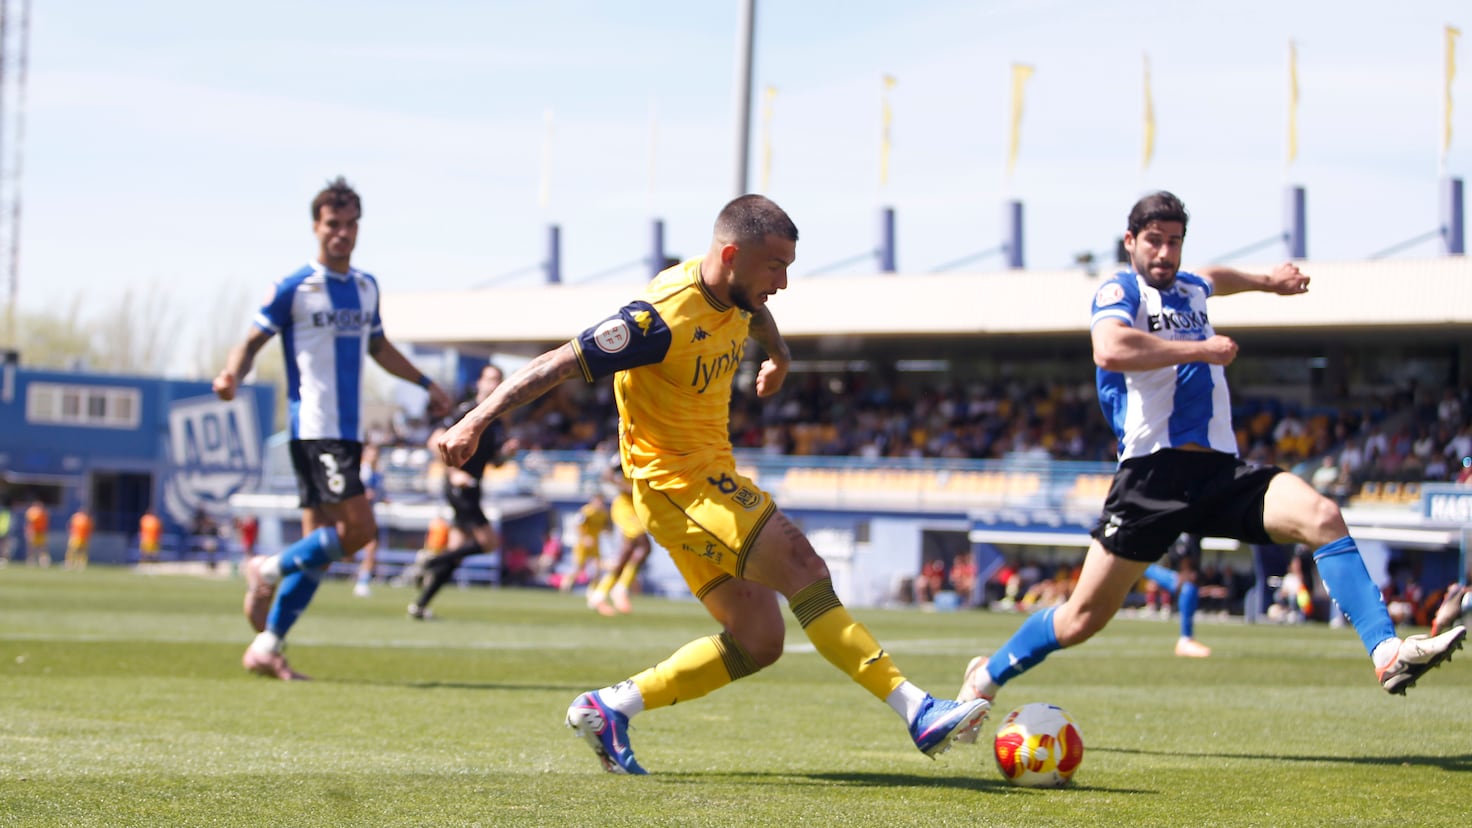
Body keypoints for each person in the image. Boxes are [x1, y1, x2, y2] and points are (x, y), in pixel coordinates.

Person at [437, 194, 988, 775]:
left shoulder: (736, 291)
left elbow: (755, 311)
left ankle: (609, 708)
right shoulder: (655, 320)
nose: (783, 282)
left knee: (759, 639)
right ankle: (918, 710)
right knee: (804, 566)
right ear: (731, 254)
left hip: (705, 482)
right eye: (775, 266)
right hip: (679, 486)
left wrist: (779, 354)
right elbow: (558, 362)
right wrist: (475, 419)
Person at [957, 191, 1465, 712]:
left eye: (1174, 242)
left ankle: (1386, 651)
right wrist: (1201, 349)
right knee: (1080, 620)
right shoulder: (1121, 289)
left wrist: (1270, 282)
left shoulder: (1193, 286)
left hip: (1220, 471)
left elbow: (1217, 277)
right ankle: (984, 678)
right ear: (1131, 242)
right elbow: (1109, 348)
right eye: (1154, 241)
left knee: (1321, 514)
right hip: (1152, 476)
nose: (1165, 253)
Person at [213, 176, 451, 680]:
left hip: (347, 431)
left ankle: (268, 646)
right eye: (331, 225)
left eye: (349, 225)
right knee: (360, 529)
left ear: (358, 228)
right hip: (314, 427)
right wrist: (233, 373)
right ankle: (266, 569)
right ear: (316, 228)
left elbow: (379, 348)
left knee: (320, 546)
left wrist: (426, 382)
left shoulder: (365, 287)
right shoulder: (294, 287)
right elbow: (251, 341)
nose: (341, 234)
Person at [408, 364, 521, 620]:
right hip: (460, 487)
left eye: (498, 380)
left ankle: (420, 606)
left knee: (456, 552)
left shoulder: (498, 421)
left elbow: (495, 462)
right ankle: (429, 562)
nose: (493, 384)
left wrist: (506, 454)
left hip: (474, 487)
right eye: (490, 378)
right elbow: (434, 441)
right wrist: (452, 472)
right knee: (488, 543)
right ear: (479, 382)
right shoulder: (466, 411)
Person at [586, 453, 652, 616]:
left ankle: (600, 593)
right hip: (625, 509)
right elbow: (607, 474)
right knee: (643, 545)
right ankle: (619, 589)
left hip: (635, 510)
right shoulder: (628, 454)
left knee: (628, 552)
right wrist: (626, 488)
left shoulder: (648, 455)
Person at [1142, 534, 1212, 657]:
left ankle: (1186, 640)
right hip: (1176, 575)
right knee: (1139, 564)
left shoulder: (1193, 534)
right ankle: (1186, 640)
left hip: (1183, 577)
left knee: (1189, 590)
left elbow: (1189, 558)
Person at [354, 443, 384, 598]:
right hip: (357, 516)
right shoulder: (362, 472)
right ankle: (360, 580)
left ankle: (362, 581)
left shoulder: (376, 474)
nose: (373, 456)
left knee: (372, 549)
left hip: (369, 517)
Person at [562, 493, 609, 594]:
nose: (600, 504)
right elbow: (577, 524)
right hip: (582, 544)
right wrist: (584, 537)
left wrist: (607, 530)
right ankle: (566, 585)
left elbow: (606, 526)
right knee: (578, 567)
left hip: (595, 543)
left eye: (602, 502)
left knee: (598, 567)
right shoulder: (586, 511)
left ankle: (593, 590)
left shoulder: (603, 514)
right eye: (598, 501)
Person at [24, 499, 50, 567]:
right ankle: (31, 560)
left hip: (41, 531)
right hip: (33, 531)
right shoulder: (31, 511)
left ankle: (42, 561)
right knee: (32, 547)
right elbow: (29, 522)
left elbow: (46, 523)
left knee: (42, 547)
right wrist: (29, 531)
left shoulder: (43, 512)